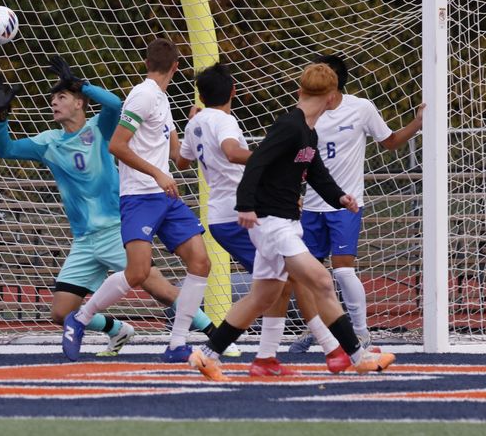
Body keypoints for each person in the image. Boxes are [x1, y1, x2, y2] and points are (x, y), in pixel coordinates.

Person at [0, 55, 219, 359]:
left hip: (113, 229)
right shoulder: (48, 143)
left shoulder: (100, 128)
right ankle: (117, 330)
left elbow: (116, 104)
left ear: (79, 103)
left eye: (62, 96)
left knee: (159, 289)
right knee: (60, 312)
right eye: (52, 98)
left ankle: (216, 334)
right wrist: (1, 116)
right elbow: (6, 150)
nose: (54, 103)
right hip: (83, 240)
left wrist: (83, 85)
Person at [196, 62, 396, 375]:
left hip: (283, 221)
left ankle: (208, 354)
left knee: (262, 296)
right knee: (320, 280)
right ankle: (359, 358)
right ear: (332, 99)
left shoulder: (307, 131)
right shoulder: (290, 126)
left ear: (300, 90)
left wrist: (340, 198)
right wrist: (246, 205)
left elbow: (316, 172)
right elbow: (256, 163)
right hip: (271, 222)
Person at [55, 39, 222, 381]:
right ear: (176, 67)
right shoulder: (143, 95)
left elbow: (180, 160)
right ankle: (80, 318)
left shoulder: (163, 100)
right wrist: (158, 173)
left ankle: (177, 343)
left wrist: (195, 126)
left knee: (200, 262)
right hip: (140, 197)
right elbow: (117, 145)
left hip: (165, 197)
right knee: (136, 273)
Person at [176, 62, 350, 376]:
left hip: (224, 212)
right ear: (232, 91)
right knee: (295, 279)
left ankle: (266, 358)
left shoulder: (197, 122)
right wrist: (273, 157)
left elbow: (181, 160)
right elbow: (232, 152)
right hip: (243, 213)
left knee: (277, 285)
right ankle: (331, 347)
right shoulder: (225, 121)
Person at [292, 54, 425, 353]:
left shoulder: (361, 108)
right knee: (306, 272)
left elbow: (389, 141)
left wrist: (417, 123)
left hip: (345, 204)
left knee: (342, 270)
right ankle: (317, 328)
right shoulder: (303, 112)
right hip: (312, 205)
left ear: (333, 85)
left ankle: (361, 332)